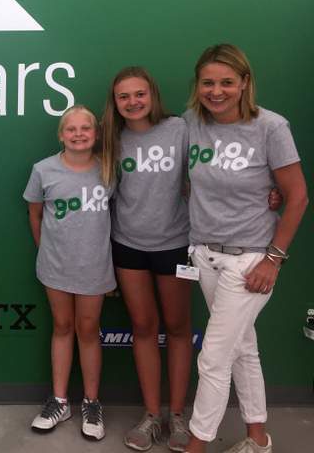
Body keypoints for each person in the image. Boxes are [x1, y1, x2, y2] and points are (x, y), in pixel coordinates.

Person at [183, 44, 307, 453]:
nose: (216, 91)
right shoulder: (191, 124)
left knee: (213, 359)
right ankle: (258, 438)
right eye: (208, 83)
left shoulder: (270, 127)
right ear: (197, 86)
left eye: (226, 82)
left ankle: (197, 445)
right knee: (242, 348)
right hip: (205, 255)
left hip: (251, 260)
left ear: (244, 83)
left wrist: (273, 259)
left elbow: (298, 196)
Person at [100, 67, 193, 451]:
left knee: (177, 327)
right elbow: (101, 194)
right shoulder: (112, 138)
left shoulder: (179, 129)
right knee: (142, 326)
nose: (133, 102)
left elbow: (211, 172)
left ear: (152, 94)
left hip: (175, 244)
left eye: (140, 94)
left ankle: (177, 415)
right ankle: (152, 415)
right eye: (124, 97)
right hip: (128, 245)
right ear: (116, 103)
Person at [23, 104, 115, 442]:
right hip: (55, 266)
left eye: (85, 129)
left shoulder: (108, 170)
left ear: (95, 134)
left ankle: (92, 402)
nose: (78, 134)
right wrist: (47, 250)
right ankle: (60, 401)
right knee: (62, 327)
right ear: (61, 135)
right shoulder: (43, 170)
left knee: (88, 330)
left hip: (94, 266)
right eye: (71, 129)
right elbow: (35, 215)